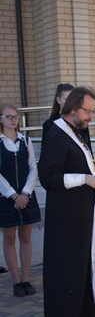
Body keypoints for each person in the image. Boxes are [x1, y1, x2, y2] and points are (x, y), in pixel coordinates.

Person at [38, 86, 95, 317]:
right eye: (88, 111)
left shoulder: (76, 133)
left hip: (80, 217)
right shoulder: (56, 133)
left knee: (79, 272)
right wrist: (85, 179)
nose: (91, 115)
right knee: (66, 274)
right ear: (73, 108)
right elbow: (48, 177)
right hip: (65, 221)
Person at [0, 104, 41, 297]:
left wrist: (25, 193)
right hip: (7, 198)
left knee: (26, 238)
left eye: (15, 117)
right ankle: (16, 281)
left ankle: (26, 279)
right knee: (9, 239)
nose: (13, 120)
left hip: (26, 197)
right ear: (1, 119)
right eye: (8, 117)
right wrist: (13, 195)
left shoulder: (26, 140)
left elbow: (33, 167)